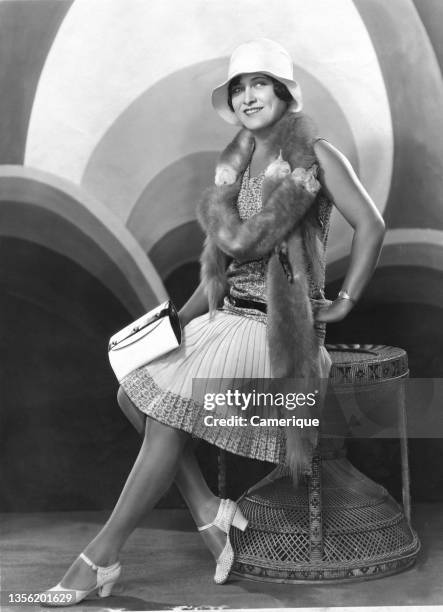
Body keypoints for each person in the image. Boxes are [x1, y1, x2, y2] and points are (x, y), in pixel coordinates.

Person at [41, 38, 385, 604]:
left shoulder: (316, 154)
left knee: (166, 417)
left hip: (277, 336)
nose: (249, 96)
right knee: (135, 395)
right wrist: (173, 324)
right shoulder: (236, 169)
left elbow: (371, 225)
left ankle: (99, 557)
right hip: (227, 318)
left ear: (283, 93)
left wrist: (345, 300)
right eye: (240, 87)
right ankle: (208, 510)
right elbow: (218, 279)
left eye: (260, 84)